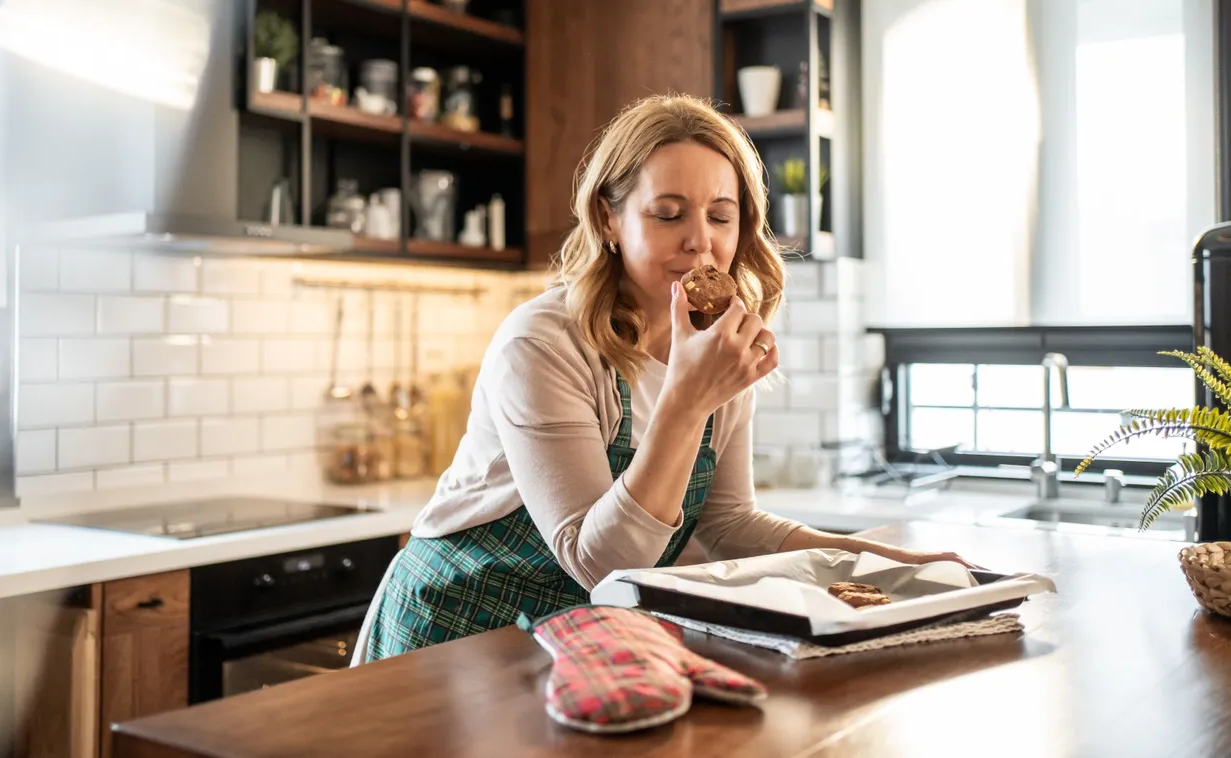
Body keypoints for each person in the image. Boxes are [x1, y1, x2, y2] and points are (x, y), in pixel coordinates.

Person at [360, 94, 975, 663]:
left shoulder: (717, 345)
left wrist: (887, 563)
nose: (700, 242)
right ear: (609, 219)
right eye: (667, 214)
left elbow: (730, 525)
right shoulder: (544, 344)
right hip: (454, 636)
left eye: (721, 216)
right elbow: (598, 564)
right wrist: (687, 400)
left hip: (579, 639)